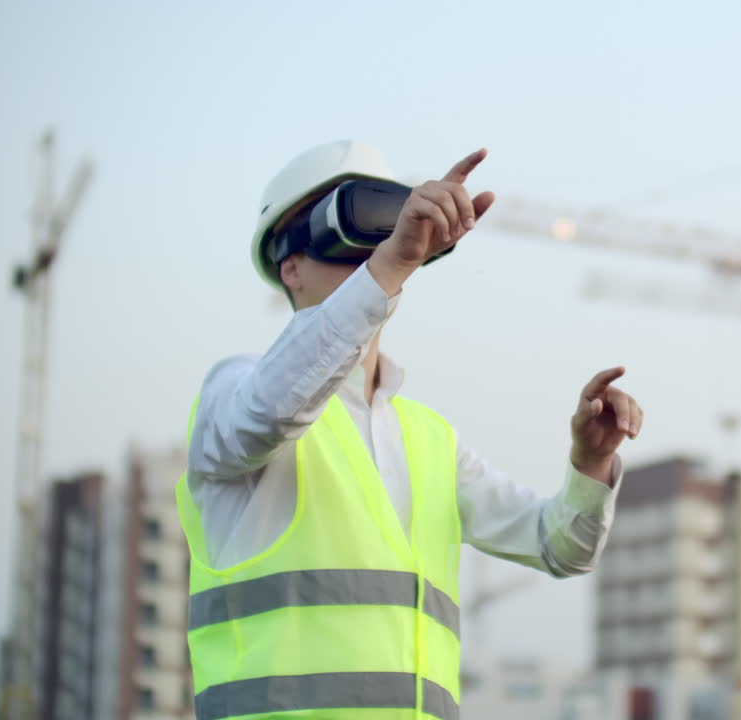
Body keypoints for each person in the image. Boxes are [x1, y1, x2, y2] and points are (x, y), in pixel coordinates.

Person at [175, 141, 642, 720]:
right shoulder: (236, 392)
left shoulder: (431, 441)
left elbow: (560, 547)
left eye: (385, 230)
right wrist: (389, 265)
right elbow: (272, 410)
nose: (370, 252)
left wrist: (590, 465)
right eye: (346, 232)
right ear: (288, 263)